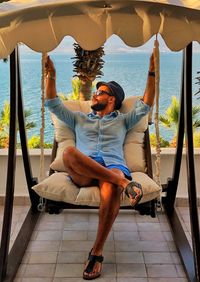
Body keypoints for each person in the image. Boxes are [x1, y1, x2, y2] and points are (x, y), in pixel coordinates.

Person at [45, 53, 155, 280]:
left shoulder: (123, 120)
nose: (95, 95)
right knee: (69, 153)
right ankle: (125, 183)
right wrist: (52, 76)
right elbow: (52, 104)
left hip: (113, 168)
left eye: (100, 92)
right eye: (96, 92)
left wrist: (152, 71)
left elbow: (146, 104)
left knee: (113, 178)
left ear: (112, 98)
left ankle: (97, 251)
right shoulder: (79, 118)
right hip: (83, 171)